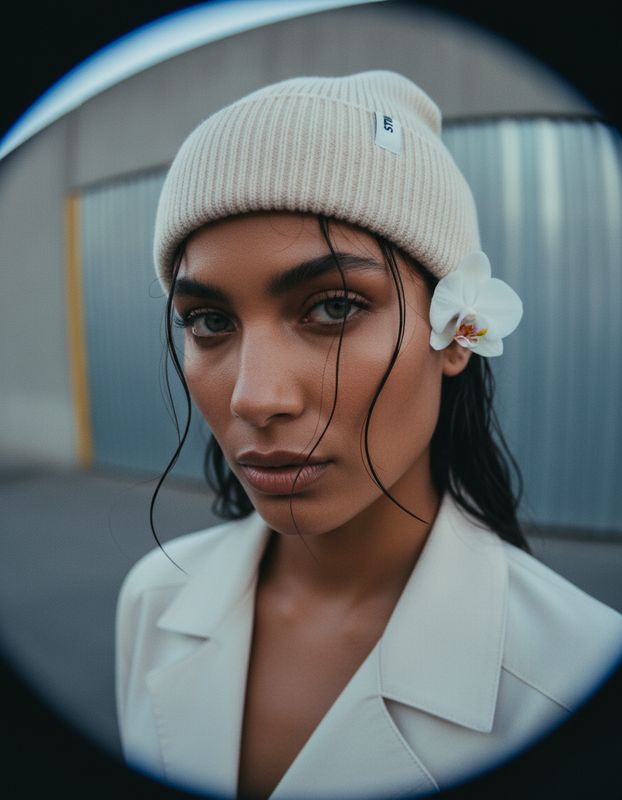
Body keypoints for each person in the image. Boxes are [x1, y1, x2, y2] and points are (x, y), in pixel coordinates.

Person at [115, 71, 622, 800]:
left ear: (456, 334)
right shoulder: (151, 601)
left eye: (334, 306)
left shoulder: (577, 675)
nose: (256, 397)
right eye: (209, 322)